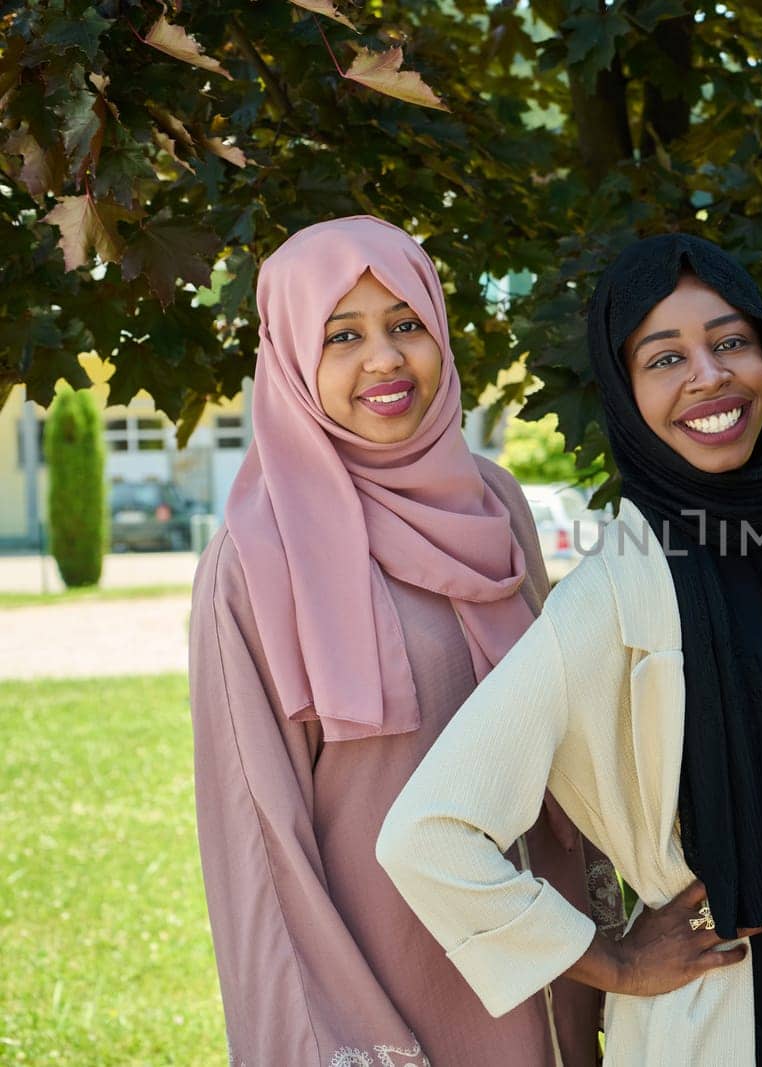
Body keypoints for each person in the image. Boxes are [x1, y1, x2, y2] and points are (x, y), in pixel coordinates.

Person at [378, 234, 762, 1067]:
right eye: (664, 356)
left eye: (730, 342)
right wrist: (612, 961)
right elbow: (427, 832)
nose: (708, 375)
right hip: (731, 1008)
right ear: (624, 389)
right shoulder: (611, 597)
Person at [189, 216, 606, 1066]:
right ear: (293, 358)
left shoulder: (494, 502)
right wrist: (346, 1037)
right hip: (400, 992)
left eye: (406, 323)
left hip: (557, 969)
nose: (383, 358)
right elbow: (262, 838)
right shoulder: (254, 556)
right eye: (342, 335)